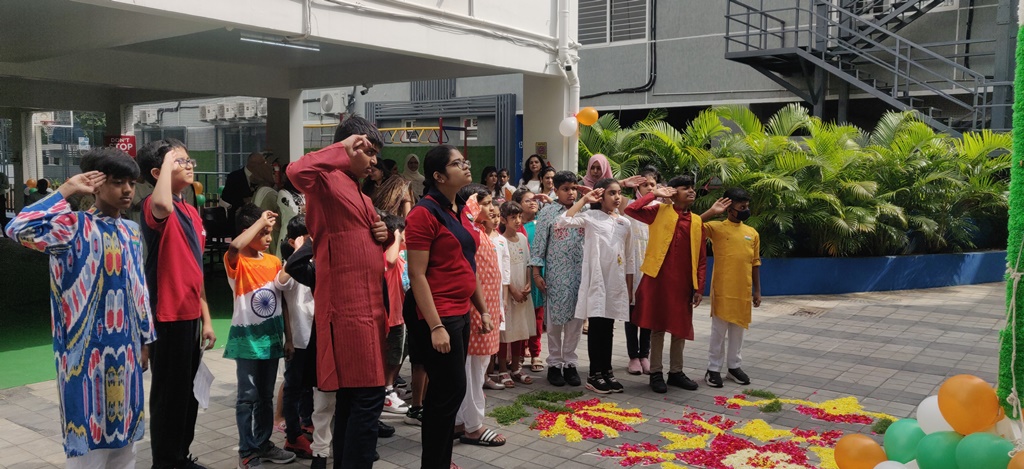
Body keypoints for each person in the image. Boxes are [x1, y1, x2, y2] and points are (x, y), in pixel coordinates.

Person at [5, 149, 153, 468]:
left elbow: (139, 288)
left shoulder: (131, 231)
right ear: (95, 184)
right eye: (118, 182)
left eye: (131, 182)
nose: (127, 190)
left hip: (126, 353)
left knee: (126, 444)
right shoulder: (71, 227)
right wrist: (67, 189)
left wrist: (146, 340)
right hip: (82, 357)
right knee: (87, 445)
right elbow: (16, 227)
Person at [286, 116, 393, 469]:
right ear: (352, 146)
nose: (374, 161)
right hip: (348, 307)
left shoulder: (356, 189)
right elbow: (295, 171)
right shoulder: (325, 178)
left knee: (353, 399)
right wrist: (342, 148)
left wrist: (383, 235)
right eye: (369, 152)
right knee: (367, 397)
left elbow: (369, 236)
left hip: (369, 305)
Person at [405, 144, 492, 469]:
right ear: (439, 176)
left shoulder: (458, 210)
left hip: (460, 310)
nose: (466, 166)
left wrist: (482, 309)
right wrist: (436, 326)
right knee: (448, 391)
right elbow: (417, 274)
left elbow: (468, 264)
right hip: (438, 313)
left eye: (464, 161)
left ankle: (441, 460)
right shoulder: (423, 213)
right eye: (457, 163)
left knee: (450, 391)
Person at [136, 138, 217, 469]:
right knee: (169, 394)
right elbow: (162, 206)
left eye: (187, 160)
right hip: (167, 315)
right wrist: (168, 164)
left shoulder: (191, 210)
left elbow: (195, 270)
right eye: (178, 161)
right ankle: (166, 461)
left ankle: (180, 455)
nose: (189, 166)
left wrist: (206, 318)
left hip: (190, 314)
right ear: (157, 172)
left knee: (188, 393)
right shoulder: (153, 205)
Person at [225, 204, 296, 468]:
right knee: (246, 397)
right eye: (263, 233)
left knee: (265, 397)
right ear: (248, 231)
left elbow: (283, 303)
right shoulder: (237, 261)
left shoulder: (274, 262)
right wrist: (260, 221)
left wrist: (289, 338)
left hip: (271, 341)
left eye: (270, 232)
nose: (268, 238)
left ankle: (263, 443)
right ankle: (247, 450)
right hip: (246, 341)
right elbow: (235, 246)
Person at [624, 175, 708, 394]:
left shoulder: (697, 221)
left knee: (680, 328)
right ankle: (656, 372)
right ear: (672, 192)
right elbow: (631, 210)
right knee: (658, 327)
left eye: (692, 188)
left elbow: (701, 257)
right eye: (685, 188)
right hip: (658, 279)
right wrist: (654, 194)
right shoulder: (658, 211)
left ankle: (676, 372)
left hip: (683, 283)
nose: (691, 191)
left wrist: (699, 287)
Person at [557, 179, 634, 394]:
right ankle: (594, 374)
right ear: (601, 196)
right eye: (611, 193)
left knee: (608, 328)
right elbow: (563, 221)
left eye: (619, 193)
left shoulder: (624, 223)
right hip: (597, 281)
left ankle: (607, 371)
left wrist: (629, 287)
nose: (617, 197)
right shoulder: (591, 217)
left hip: (615, 282)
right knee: (597, 326)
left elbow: (629, 257)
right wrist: (584, 200)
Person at [454, 184, 507, 447]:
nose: (490, 207)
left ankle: (461, 421)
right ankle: (473, 427)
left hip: (486, 309)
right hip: (476, 310)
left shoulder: (479, 231)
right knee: (473, 370)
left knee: (476, 367)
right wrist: (484, 311)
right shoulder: (468, 230)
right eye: (484, 203)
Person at [699, 188, 762, 388]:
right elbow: (692, 226)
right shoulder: (716, 228)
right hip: (722, 290)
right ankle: (713, 369)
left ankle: (734, 367)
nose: (745, 210)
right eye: (741, 207)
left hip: (743, 291)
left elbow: (755, 263)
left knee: (738, 331)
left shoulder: (752, 233)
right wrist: (712, 211)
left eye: (747, 206)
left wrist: (757, 291)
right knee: (718, 332)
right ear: (729, 209)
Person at [530, 171, 586, 387]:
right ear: (555, 190)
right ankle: (554, 364)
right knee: (553, 322)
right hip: (555, 276)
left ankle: (570, 363)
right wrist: (536, 273)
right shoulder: (548, 212)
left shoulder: (585, 210)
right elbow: (539, 245)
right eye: (565, 189)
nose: (571, 193)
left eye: (574, 188)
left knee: (575, 321)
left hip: (580, 275)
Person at [276, 216, 316, 458]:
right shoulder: (290, 266)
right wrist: (300, 250)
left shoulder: (313, 262)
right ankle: (293, 436)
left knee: (309, 385)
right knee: (293, 387)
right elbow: (280, 282)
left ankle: (306, 423)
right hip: (299, 338)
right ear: (294, 241)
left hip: (314, 335)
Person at [622, 167, 659, 375]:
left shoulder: (661, 208)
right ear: (637, 187)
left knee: (648, 312)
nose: (649, 188)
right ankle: (633, 356)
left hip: (651, 264)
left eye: (653, 184)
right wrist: (623, 184)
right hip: (632, 262)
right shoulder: (628, 204)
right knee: (631, 312)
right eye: (645, 185)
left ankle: (645, 354)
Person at [512, 188, 545, 372]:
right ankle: (518, 353)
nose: (533, 203)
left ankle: (535, 353)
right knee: (520, 316)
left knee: (537, 317)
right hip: (518, 276)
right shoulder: (512, 227)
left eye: (535, 200)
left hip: (536, 274)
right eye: (528, 200)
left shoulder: (541, 224)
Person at [382, 214, 412, 415]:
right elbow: (390, 261)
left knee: (401, 352)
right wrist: (396, 234)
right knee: (392, 355)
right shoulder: (388, 253)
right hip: (391, 316)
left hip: (402, 315)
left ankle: (390, 386)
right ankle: (386, 391)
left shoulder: (402, 253)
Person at [221, 151, 274, 224]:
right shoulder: (234, 176)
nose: (265, 166)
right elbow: (226, 197)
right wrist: (243, 200)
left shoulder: (262, 176)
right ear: (253, 165)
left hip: (255, 218)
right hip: (238, 218)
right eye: (262, 163)